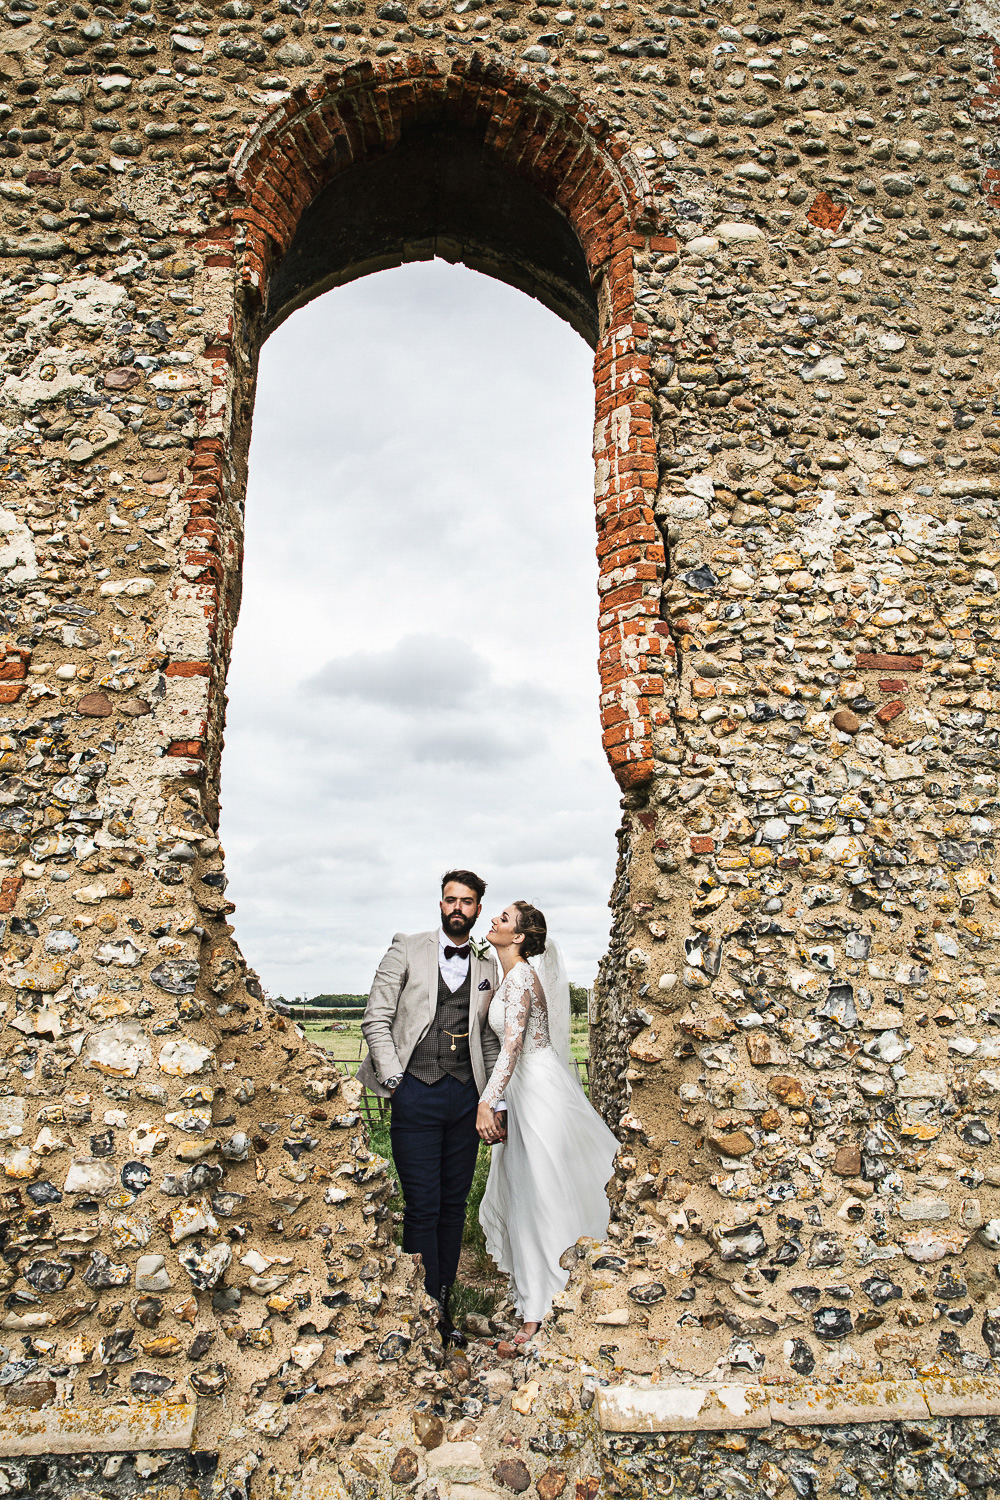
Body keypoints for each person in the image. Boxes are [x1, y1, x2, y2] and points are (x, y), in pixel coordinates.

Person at [359, 870, 506, 1347]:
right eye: (450, 900)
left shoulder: (487, 964)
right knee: (421, 1205)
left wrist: (491, 1098)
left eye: (466, 901)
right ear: (440, 904)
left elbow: (485, 1036)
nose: (457, 908)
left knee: (452, 1205)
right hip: (415, 1091)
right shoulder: (407, 947)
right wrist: (396, 1080)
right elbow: (376, 1018)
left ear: (479, 909)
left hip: (466, 1097)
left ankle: (443, 1303)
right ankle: (419, 1312)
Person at [477, 901, 619, 1344]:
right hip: (525, 1090)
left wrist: (487, 1102)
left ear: (519, 936)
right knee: (528, 1190)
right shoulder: (507, 975)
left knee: (542, 1191)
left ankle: (546, 1305)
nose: (495, 920)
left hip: (537, 1090)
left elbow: (513, 1046)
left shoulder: (519, 976)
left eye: (504, 918)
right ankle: (535, 1299)